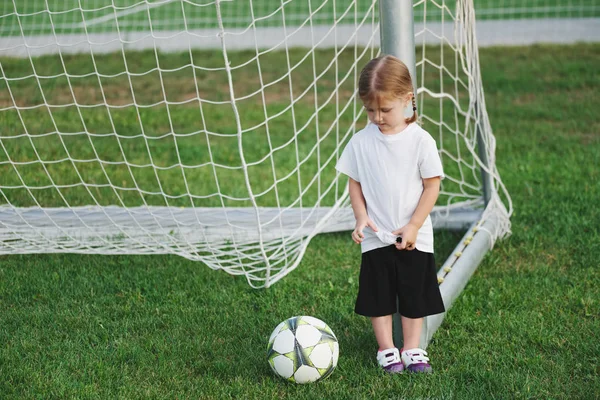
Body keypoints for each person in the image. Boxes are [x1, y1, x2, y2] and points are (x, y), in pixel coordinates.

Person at [335, 55, 445, 374]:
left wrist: (413, 225)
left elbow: (432, 186)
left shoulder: (420, 141)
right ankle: (387, 349)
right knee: (378, 295)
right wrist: (360, 217)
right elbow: (354, 182)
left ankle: (412, 348)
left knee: (414, 294)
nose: (377, 117)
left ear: (407, 100)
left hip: (413, 235)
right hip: (376, 234)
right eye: (370, 110)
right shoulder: (360, 142)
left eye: (385, 110)